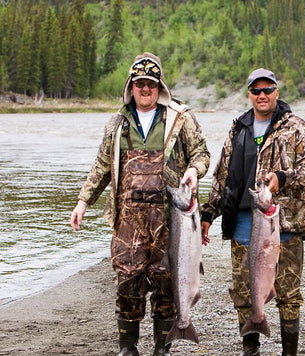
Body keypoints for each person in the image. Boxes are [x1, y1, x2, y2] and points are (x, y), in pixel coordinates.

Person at [70, 52, 210, 356]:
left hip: (170, 220)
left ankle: (163, 348)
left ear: (159, 85)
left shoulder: (179, 117)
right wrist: (83, 202)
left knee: (166, 286)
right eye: (139, 84)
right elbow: (101, 166)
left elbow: (202, 153)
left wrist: (193, 170)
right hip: (127, 223)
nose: (145, 89)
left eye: (150, 83)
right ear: (131, 86)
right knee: (127, 284)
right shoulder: (117, 123)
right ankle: (128, 349)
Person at [200, 68, 305, 356]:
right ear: (249, 94)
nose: (262, 95)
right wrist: (207, 215)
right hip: (242, 222)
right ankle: (250, 347)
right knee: (244, 292)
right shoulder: (238, 128)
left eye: (268, 90)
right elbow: (222, 177)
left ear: (277, 93)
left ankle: (289, 352)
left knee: (289, 294)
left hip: (286, 222)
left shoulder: (296, 127)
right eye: (256, 91)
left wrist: (283, 177)